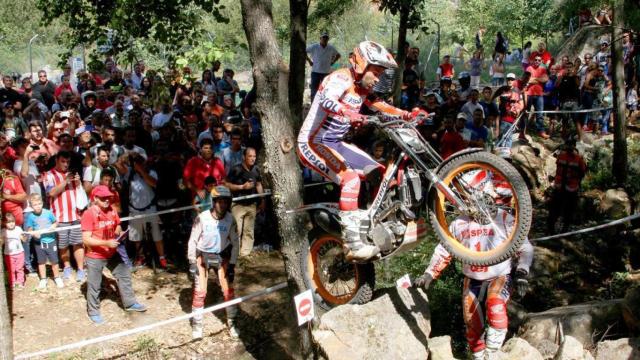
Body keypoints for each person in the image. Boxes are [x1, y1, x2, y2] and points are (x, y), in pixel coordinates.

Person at [297, 40, 427, 261]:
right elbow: (327, 100)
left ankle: (374, 225)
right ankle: (353, 243)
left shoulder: (364, 89)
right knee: (351, 180)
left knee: (380, 173)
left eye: (381, 74)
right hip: (313, 142)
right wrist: (348, 112)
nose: (378, 79)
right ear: (361, 64)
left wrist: (407, 115)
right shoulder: (339, 78)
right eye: (376, 73)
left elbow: (382, 106)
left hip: (336, 143)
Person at [414, 177, 534, 360]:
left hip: (499, 276)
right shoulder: (458, 223)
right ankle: (479, 357)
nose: (472, 202)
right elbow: (444, 249)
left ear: (489, 194)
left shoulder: (505, 218)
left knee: (495, 305)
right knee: (472, 324)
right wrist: (430, 272)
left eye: (478, 196)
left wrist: (522, 272)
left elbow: (525, 247)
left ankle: (492, 355)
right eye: (467, 197)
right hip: (472, 279)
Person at [82, 185, 147, 324]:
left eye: (108, 197)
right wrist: (106, 243)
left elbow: (117, 224)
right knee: (94, 284)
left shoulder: (112, 210)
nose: (107, 200)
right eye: (103, 198)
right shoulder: (89, 214)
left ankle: (129, 303)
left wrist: (119, 232)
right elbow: (86, 239)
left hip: (112, 252)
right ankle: (93, 312)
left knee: (124, 274)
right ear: (95, 199)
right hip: (95, 255)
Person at [188, 185, 239, 339]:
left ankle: (232, 322)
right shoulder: (202, 218)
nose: (222, 205)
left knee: (228, 290)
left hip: (221, 255)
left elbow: (236, 243)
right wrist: (191, 262)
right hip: (202, 255)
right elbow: (192, 241)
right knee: (200, 291)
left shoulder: (231, 219)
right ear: (213, 202)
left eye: (226, 202)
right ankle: (197, 325)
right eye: (219, 202)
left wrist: (232, 264)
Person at [43, 151, 86, 282]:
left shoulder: (73, 175)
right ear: (56, 160)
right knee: (63, 245)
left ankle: (80, 269)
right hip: (60, 216)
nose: (66, 164)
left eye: (68, 162)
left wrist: (78, 183)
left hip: (75, 215)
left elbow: (80, 193)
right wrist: (65, 181)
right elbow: (51, 192)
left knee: (78, 243)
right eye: (63, 161)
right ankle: (67, 267)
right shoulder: (48, 175)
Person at [224, 147, 264, 257]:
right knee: (237, 230)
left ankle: (245, 254)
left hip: (252, 205)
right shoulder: (236, 169)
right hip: (237, 205)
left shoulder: (256, 169)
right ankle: (234, 253)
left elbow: (258, 184)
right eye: (250, 156)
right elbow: (226, 184)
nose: (252, 159)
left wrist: (262, 199)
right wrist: (242, 187)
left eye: (254, 156)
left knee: (249, 231)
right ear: (244, 157)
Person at [24, 193, 62, 290]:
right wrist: (33, 233)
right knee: (41, 262)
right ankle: (43, 279)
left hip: (51, 241)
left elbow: (55, 222)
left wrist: (53, 226)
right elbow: (29, 229)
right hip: (39, 243)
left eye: (39, 204)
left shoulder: (48, 212)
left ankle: (57, 277)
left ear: (42, 203)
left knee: (54, 261)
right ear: (31, 206)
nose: (37, 206)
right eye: (35, 205)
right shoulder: (31, 216)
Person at [547, 138, 586, 233]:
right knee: (568, 209)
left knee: (555, 208)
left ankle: (551, 228)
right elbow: (583, 171)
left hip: (560, 186)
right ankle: (564, 228)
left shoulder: (561, 156)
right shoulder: (578, 159)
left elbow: (558, 168)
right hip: (571, 187)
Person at [306, 32, 341, 101]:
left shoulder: (331, 47)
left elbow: (338, 55)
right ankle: (313, 104)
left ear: (328, 39)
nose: (325, 39)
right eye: (323, 38)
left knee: (326, 90)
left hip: (326, 73)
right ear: (320, 38)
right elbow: (304, 51)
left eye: (326, 38)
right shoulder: (314, 46)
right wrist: (309, 61)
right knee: (314, 90)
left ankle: (323, 106)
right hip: (315, 72)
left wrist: (333, 62)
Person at [526, 56, 550, 138]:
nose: (537, 61)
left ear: (541, 61)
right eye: (535, 59)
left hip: (539, 94)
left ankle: (541, 131)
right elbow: (527, 80)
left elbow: (545, 79)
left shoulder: (543, 69)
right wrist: (539, 79)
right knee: (526, 113)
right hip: (529, 93)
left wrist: (534, 79)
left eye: (539, 60)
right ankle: (523, 130)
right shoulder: (529, 68)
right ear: (533, 60)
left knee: (540, 114)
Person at [2, 213, 27, 289]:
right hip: (8, 254)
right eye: (8, 222)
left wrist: (24, 236)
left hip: (19, 252)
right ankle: (12, 282)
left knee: (19, 268)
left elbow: (24, 240)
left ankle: (20, 282)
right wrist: (2, 239)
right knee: (11, 270)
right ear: (4, 223)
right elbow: (1, 243)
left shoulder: (18, 229)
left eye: (12, 221)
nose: (11, 224)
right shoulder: (3, 231)